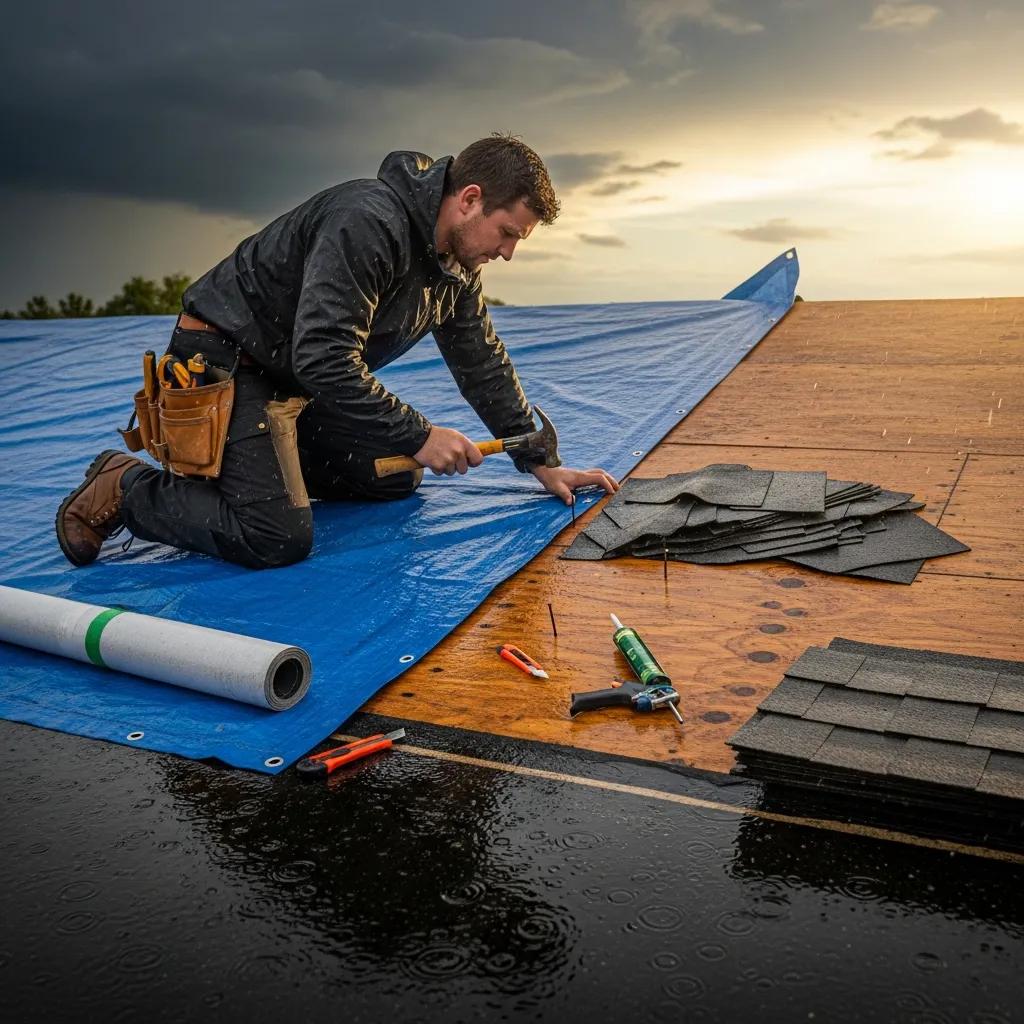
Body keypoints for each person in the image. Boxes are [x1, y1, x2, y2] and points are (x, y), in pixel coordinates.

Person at [55, 133, 618, 570]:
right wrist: (421, 434)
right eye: (508, 233)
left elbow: (482, 363)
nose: (509, 253)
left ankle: (250, 467)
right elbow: (324, 357)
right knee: (276, 537)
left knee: (392, 474)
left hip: (292, 378)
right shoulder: (369, 220)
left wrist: (539, 461)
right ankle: (125, 486)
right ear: (470, 199)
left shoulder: (456, 269)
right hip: (226, 360)